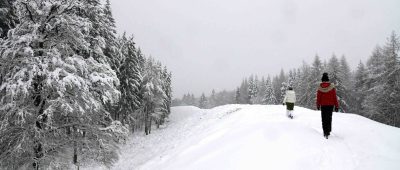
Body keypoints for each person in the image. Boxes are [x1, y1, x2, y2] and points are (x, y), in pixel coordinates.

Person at [316, 73, 339, 139]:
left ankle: (325, 131)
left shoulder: (320, 88)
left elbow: (318, 97)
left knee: (323, 118)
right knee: (329, 118)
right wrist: (336, 106)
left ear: (322, 80)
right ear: (328, 80)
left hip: (323, 105)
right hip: (330, 105)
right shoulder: (332, 87)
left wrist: (318, 105)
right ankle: (328, 130)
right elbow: (334, 97)